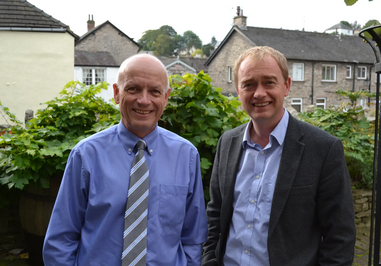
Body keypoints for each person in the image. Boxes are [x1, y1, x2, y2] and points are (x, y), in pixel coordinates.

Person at [43, 54, 208, 265]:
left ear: (166, 98)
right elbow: (60, 239)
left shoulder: (186, 156)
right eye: (133, 89)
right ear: (116, 93)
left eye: (155, 91)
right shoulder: (86, 156)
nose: (144, 100)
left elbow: (193, 238)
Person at [201, 46, 356, 266]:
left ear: (287, 86)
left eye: (269, 82)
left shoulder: (323, 149)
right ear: (238, 89)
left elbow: (340, 237)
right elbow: (215, 215)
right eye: (249, 84)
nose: (259, 93)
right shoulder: (227, 143)